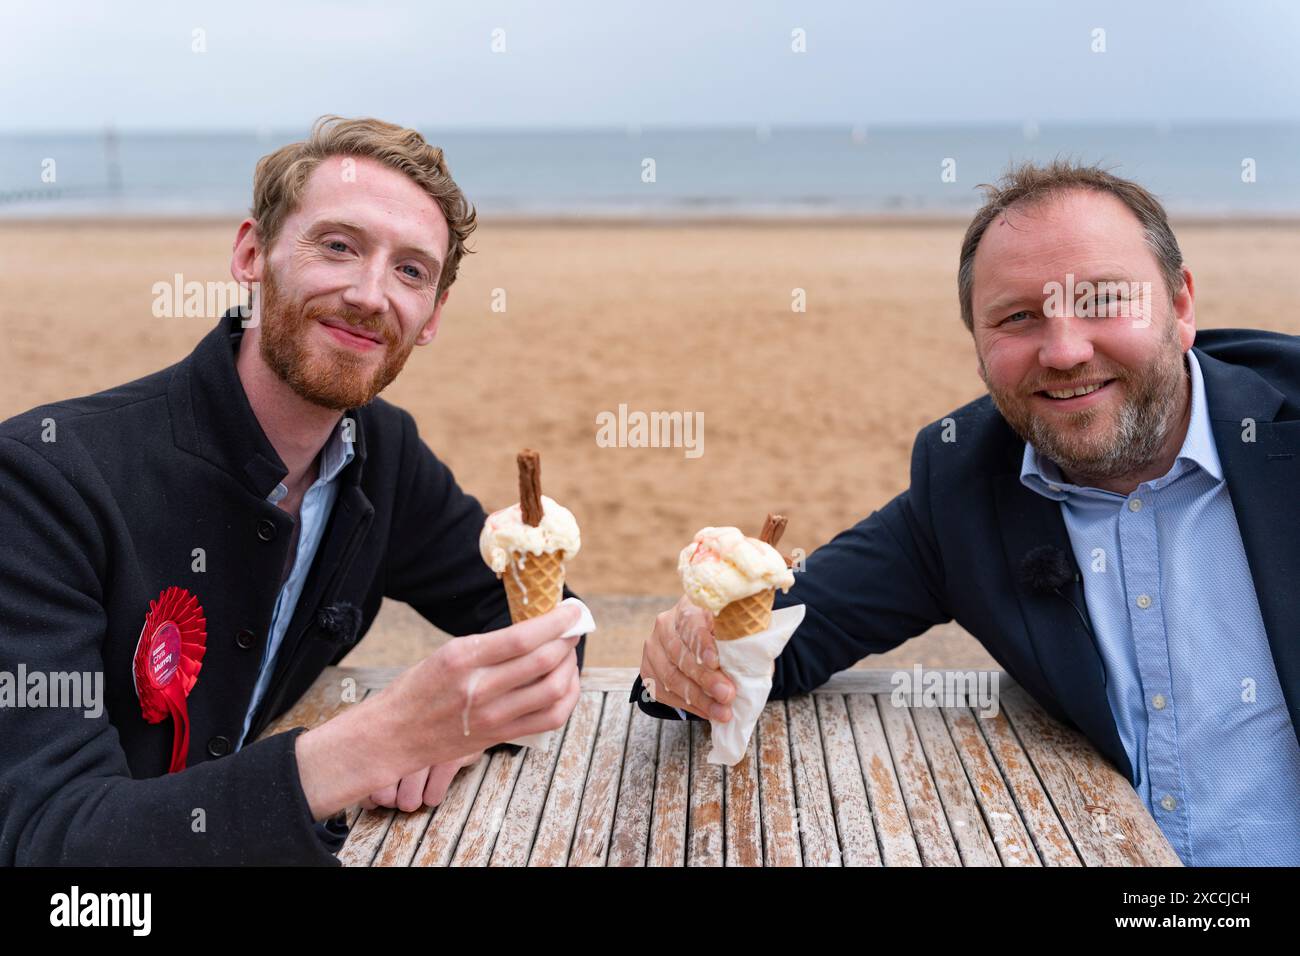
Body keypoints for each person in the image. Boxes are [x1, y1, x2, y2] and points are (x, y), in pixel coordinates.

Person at [631, 160, 1300, 866]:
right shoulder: (965, 484)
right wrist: (692, 649)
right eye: (1018, 317)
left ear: (1181, 305)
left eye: (1104, 299)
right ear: (978, 346)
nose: (1066, 350)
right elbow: (786, 637)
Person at [0, 116, 585, 865]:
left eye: (411, 271)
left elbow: (544, 623)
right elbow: (49, 843)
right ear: (252, 252)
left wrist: (456, 727)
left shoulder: (385, 455)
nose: (371, 294)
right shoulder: (45, 480)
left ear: (433, 318)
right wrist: (372, 742)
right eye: (339, 246)